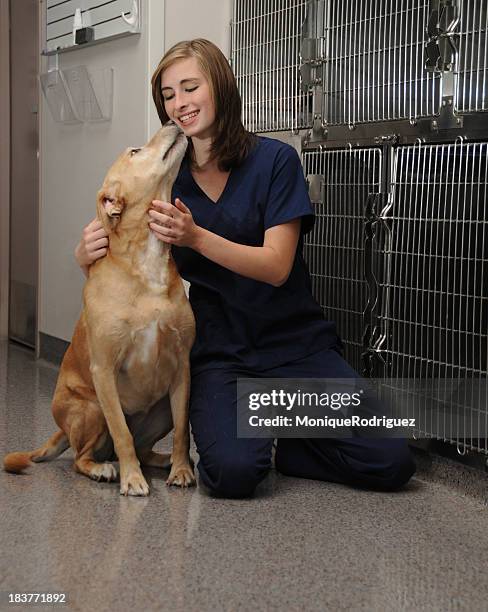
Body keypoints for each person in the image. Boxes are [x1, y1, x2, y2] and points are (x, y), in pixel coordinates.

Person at [75, 38, 416, 498]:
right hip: (224, 354)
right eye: (168, 95)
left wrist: (196, 237)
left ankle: (295, 449)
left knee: (391, 459)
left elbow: (277, 267)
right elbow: (130, 258)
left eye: (190, 87)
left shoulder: (275, 162)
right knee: (232, 473)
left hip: (295, 346)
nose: (180, 104)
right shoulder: (167, 180)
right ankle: (273, 432)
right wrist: (87, 255)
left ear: (220, 85)